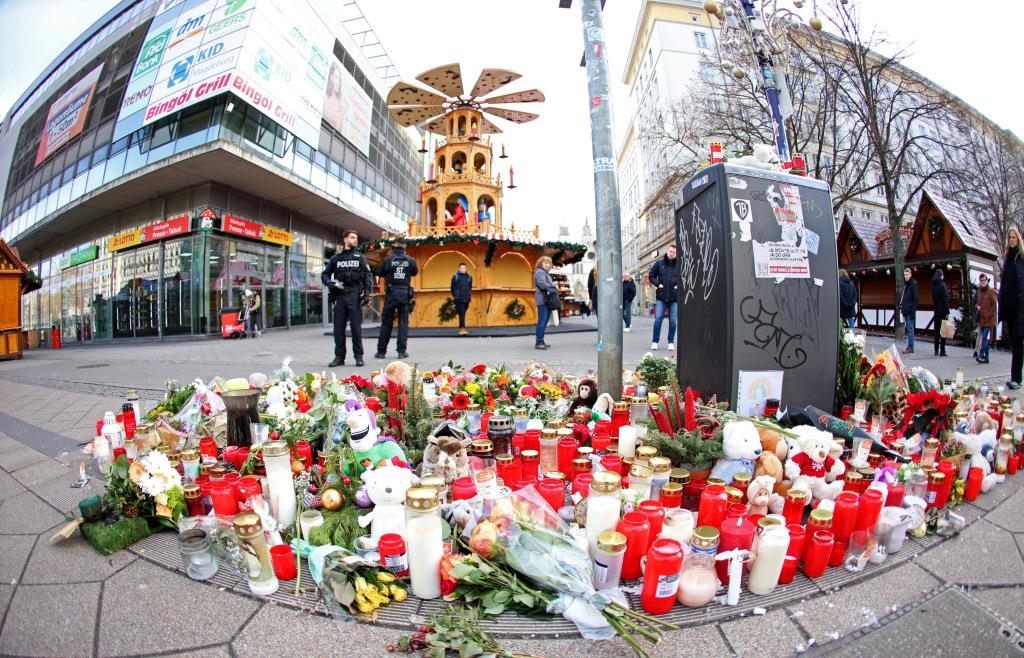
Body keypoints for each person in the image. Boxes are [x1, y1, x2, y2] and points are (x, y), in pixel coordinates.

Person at [321, 230, 372, 367]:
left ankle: (358, 357)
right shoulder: (336, 259)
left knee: (356, 329)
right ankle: (339, 357)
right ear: (345, 240)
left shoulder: (360, 257)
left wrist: (367, 293)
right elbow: (325, 275)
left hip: (355, 296)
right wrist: (329, 283)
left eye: (356, 238)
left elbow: (367, 276)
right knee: (338, 329)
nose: (355, 240)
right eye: (352, 237)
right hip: (340, 296)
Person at [375, 239, 419, 359]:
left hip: (391, 294)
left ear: (394, 246)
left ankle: (381, 352)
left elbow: (379, 272)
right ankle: (401, 351)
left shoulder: (388, 260)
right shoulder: (410, 260)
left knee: (386, 323)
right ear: (404, 247)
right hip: (404, 294)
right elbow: (415, 272)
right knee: (403, 323)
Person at [999, 227, 1024, 388]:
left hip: (1019, 309)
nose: (1011, 239)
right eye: (1010, 237)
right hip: (1009, 309)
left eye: (1014, 237)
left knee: (1018, 342)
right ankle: (1014, 376)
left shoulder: (1021, 258)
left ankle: (1017, 378)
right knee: (1015, 343)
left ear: (1018, 239)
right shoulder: (1008, 258)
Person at [649, 245, 679, 351]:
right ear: (667, 252)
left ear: (676, 254)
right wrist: (658, 284)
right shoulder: (659, 263)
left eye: (674, 252)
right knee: (658, 319)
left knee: (673, 321)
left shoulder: (680, 264)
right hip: (661, 297)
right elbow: (651, 275)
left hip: (675, 298)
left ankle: (670, 342)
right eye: (670, 251)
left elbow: (685, 276)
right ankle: (655, 341)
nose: (672, 253)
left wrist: (678, 285)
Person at [534, 256, 557, 350]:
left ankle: (541, 340)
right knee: (542, 321)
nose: (547, 265)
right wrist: (553, 285)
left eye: (549, 263)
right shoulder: (539, 272)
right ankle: (539, 341)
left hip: (546, 300)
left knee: (544, 321)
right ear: (541, 263)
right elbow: (542, 285)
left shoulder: (544, 273)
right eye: (545, 263)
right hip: (542, 300)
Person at [976, 273, 997, 364]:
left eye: (984, 280)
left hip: (989, 319)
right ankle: (987, 358)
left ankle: (981, 355)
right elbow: (977, 303)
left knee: (984, 337)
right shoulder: (979, 291)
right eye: (981, 281)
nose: (982, 282)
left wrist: (988, 314)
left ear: (986, 280)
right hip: (982, 318)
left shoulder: (991, 291)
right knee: (984, 338)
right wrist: (977, 307)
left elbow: (994, 304)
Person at [450, 263, 473, 335]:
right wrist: (455, 296)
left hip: (467, 298)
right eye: (461, 268)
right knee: (462, 312)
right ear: (459, 269)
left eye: (464, 268)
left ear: (466, 269)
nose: (463, 269)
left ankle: (461, 327)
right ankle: (462, 328)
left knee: (463, 313)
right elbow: (452, 288)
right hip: (459, 299)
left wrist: (468, 295)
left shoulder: (469, 277)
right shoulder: (455, 277)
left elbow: (470, 287)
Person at [900, 268, 918, 354]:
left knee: (910, 329)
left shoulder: (913, 284)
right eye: (904, 274)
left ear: (910, 275)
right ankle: (910, 347)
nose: (905, 276)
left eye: (907, 274)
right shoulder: (907, 285)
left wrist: (913, 312)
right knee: (909, 329)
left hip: (910, 311)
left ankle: (911, 347)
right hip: (906, 310)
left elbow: (915, 299)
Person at [931, 269, 949, 357]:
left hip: (936, 310)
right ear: (941, 275)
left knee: (936, 332)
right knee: (944, 331)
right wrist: (947, 311)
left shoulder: (933, 285)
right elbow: (945, 299)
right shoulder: (942, 285)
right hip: (942, 311)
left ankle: (936, 350)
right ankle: (942, 350)